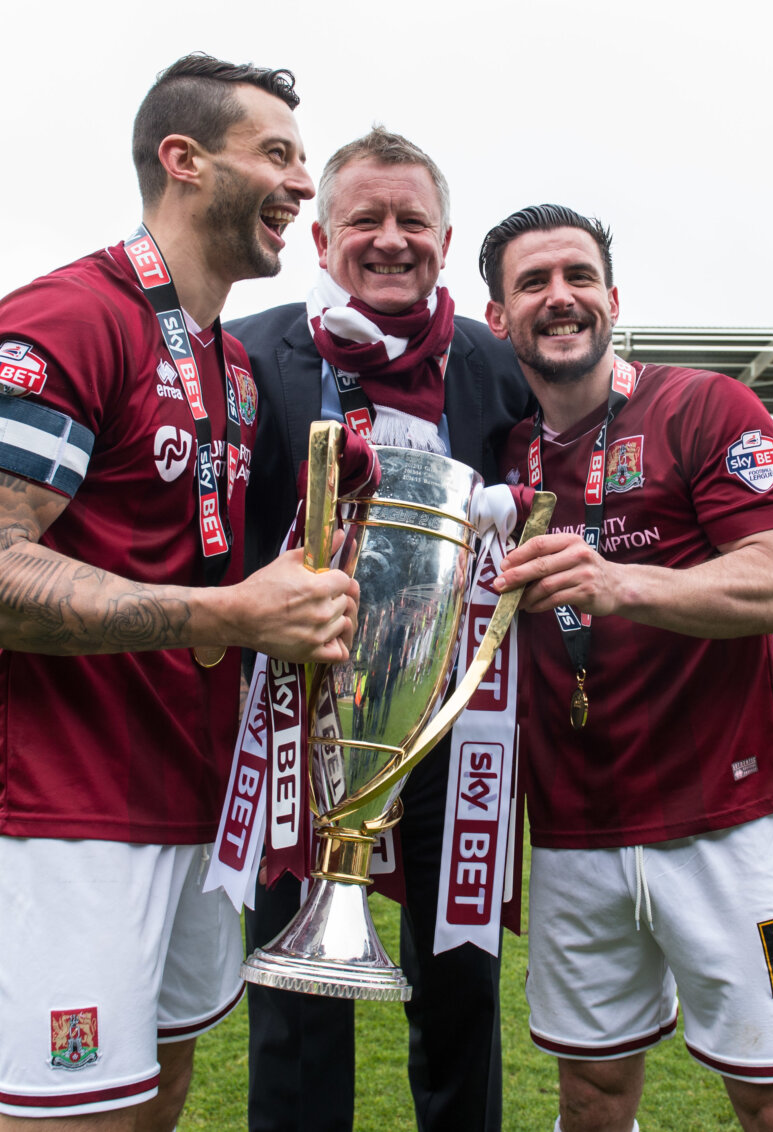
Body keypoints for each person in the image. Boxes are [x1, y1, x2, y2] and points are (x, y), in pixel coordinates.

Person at [0, 54, 358, 1132]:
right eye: (277, 154)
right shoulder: (69, 317)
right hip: (67, 806)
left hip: (192, 797)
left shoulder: (231, 367)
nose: (303, 184)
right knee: (77, 1118)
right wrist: (231, 615)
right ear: (184, 160)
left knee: (157, 1091)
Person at [482, 205, 773, 1132]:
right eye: (533, 283)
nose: (560, 297)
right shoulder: (506, 457)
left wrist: (617, 583)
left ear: (614, 298)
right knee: (592, 1094)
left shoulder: (704, 407)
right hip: (572, 830)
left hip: (723, 819)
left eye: (579, 276)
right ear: (498, 317)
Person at [227, 126, 531, 1132]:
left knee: (461, 986)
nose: (391, 239)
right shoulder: (253, 351)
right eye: (365, 219)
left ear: (444, 241)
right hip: (295, 723)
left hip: (453, 722)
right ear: (322, 239)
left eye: (413, 221)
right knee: (295, 992)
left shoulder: (495, 363)